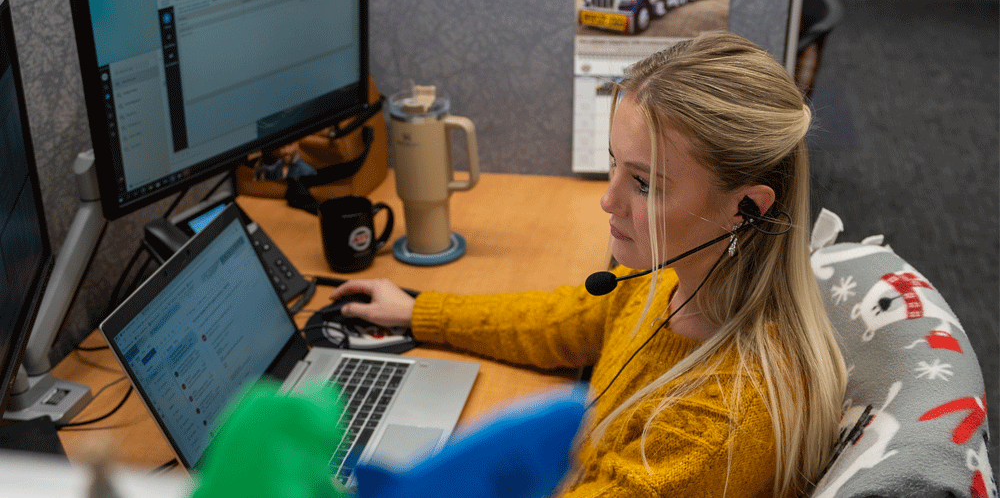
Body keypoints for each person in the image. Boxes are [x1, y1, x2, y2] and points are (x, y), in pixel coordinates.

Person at [329, 31, 847, 498]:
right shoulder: (673, 279)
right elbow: (561, 321)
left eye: (644, 183)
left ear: (746, 207)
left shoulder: (715, 427)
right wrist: (419, 311)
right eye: (614, 163)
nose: (609, 200)